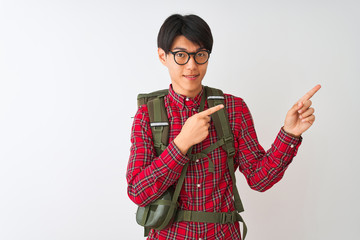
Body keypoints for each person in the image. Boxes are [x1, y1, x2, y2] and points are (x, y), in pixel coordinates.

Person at [126, 14, 320, 240]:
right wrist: (181, 144)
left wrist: (289, 134)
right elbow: (138, 192)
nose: (192, 65)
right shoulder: (148, 115)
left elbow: (260, 179)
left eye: (200, 55)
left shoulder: (233, 108)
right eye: (181, 55)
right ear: (163, 56)